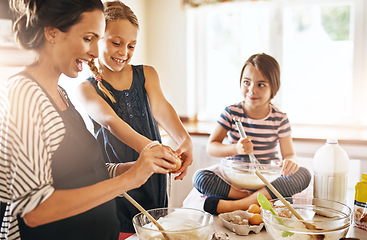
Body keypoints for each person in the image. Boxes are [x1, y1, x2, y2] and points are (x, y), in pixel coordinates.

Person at [0, 0, 180, 239]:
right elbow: (34, 210)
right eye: (88, 38)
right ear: (52, 31)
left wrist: (135, 168)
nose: (95, 52)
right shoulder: (24, 94)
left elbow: (82, 173)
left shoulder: (59, 92)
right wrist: (128, 180)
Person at [76, 1, 193, 233]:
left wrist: (184, 140)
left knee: (153, 230)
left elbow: (162, 108)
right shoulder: (86, 89)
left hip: (153, 176)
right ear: (98, 38)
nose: (124, 52)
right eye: (116, 43)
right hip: (118, 177)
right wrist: (150, 148)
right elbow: (111, 122)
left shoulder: (147, 74)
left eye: (131, 45)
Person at [193, 53, 311, 215]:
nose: (252, 90)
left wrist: (290, 162)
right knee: (200, 177)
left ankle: (235, 205)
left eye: (261, 85)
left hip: (267, 179)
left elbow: (289, 154)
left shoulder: (279, 118)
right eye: (246, 82)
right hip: (235, 179)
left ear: (273, 88)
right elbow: (212, 147)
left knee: (303, 174)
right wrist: (236, 149)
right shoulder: (231, 112)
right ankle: (256, 199)